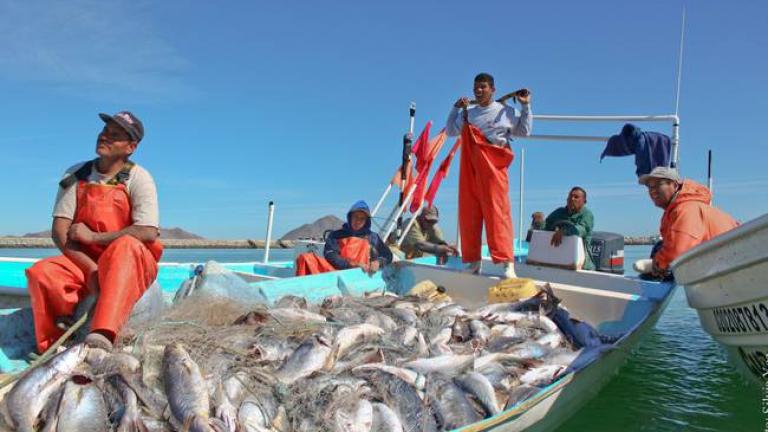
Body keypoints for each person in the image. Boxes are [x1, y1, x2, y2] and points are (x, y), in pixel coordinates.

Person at [25, 111, 162, 353]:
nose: (105, 137)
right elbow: (60, 231)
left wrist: (94, 238)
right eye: (104, 132)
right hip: (86, 262)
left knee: (126, 245)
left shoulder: (139, 178)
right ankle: (55, 344)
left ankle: (103, 334)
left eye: (115, 136)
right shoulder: (75, 174)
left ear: (131, 147)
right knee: (42, 273)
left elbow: (147, 231)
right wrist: (91, 270)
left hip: (128, 262)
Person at [446, 72, 532, 278]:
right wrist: (455, 108)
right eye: (476, 87)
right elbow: (450, 131)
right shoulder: (468, 113)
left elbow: (524, 131)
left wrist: (526, 106)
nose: (478, 90)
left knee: (497, 213)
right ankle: (474, 262)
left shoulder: (506, 111)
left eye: (483, 87)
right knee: (469, 213)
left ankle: (507, 264)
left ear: (493, 89)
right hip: (470, 167)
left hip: (494, 166)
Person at [637, 167, 739, 279]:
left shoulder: (687, 209)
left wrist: (657, 265)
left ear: (674, 185)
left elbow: (678, 249)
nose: (652, 190)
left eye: (658, 185)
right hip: (722, 265)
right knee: (660, 247)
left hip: (728, 266)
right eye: (649, 187)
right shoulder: (683, 209)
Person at [295, 201, 392, 276]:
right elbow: (331, 255)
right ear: (350, 217)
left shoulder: (373, 237)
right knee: (305, 258)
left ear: (366, 221)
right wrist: (351, 264)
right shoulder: (336, 235)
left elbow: (388, 255)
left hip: (362, 275)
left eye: (362, 219)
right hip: (337, 272)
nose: (358, 221)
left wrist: (379, 262)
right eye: (355, 217)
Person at [544, 187, 595, 270]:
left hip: (583, 266)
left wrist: (563, 231)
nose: (572, 199)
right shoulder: (559, 212)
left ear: (584, 201)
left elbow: (582, 229)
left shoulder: (587, 214)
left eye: (576, 197)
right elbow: (546, 225)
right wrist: (538, 223)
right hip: (559, 260)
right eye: (570, 196)